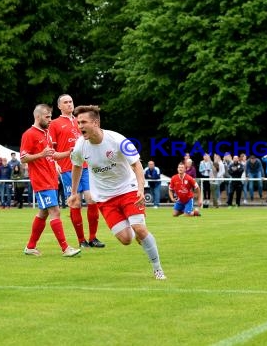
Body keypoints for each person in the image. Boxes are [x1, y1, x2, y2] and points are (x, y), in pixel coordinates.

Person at [67, 105, 165, 279]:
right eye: (78, 122)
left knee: (140, 229)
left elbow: (137, 165)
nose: (80, 126)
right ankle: (137, 233)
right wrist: (74, 193)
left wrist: (141, 190)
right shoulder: (80, 146)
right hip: (105, 198)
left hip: (128, 190)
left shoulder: (117, 140)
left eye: (84, 122)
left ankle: (158, 269)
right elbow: (76, 167)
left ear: (96, 123)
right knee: (126, 239)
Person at [21, 104, 81, 257]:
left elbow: (52, 155)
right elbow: (23, 158)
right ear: (38, 116)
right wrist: (41, 154)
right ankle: (66, 248)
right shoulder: (29, 134)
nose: (50, 120)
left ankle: (30, 247)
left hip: (51, 179)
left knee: (43, 213)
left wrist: (69, 152)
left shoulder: (46, 134)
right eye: (47, 117)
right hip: (41, 181)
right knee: (55, 211)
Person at [49, 94, 104, 248]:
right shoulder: (54, 124)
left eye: (71, 101)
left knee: (92, 198)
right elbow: (51, 151)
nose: (69, 104)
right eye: (65, 102)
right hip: (67, 167)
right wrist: (55, 163)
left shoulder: (80, 120)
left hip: (87, 165)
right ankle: (81, 240)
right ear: (59, 106)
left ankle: (93, 238)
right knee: (76, 202)